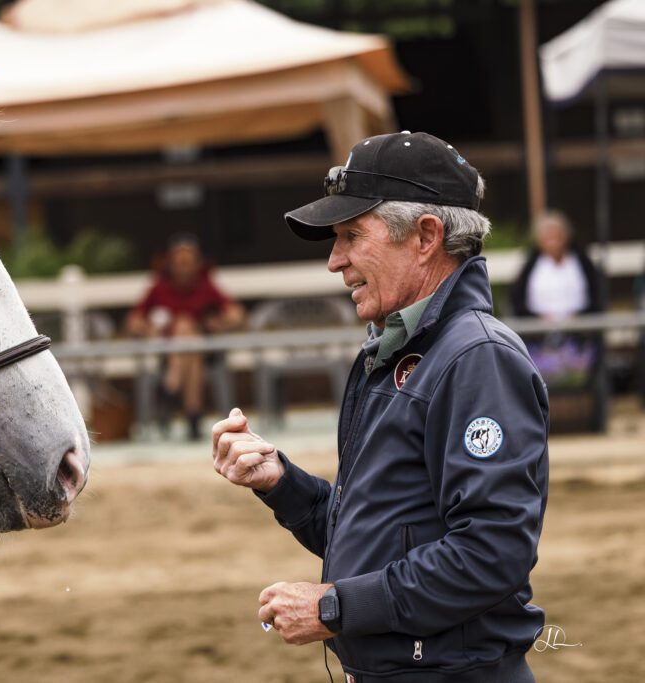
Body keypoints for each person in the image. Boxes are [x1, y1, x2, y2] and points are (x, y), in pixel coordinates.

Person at [212, 132, 548, 682]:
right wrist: (280, 481)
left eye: (350, 235)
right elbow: (375, 535)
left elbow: (492, 551)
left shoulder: (477, 358)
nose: (334, 260)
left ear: (425, 236)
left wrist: (334, 607)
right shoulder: (395, 351)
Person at [127, 233, 244, 439]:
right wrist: (149, 328)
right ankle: (193, 417)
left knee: (186, 329)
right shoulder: (159, 288)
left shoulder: (205, 286)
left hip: (202, 355)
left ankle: (170, 389)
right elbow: (133, 322)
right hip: (172, 356)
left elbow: (237, 315)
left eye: (188, 263)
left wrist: (218, 323)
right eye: (180, 263)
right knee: (187, 334)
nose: (184, 268)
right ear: (170, 264)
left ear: (198, 264)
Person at [510, 210, 601, 319]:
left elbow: (596, 295)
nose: (553, 242)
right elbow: (518, 300)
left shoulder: (582, 261)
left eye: (556, 236)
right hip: (539, 331)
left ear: (566, 236)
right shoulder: (531, 264)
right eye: (548, 237)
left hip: (580, 328)